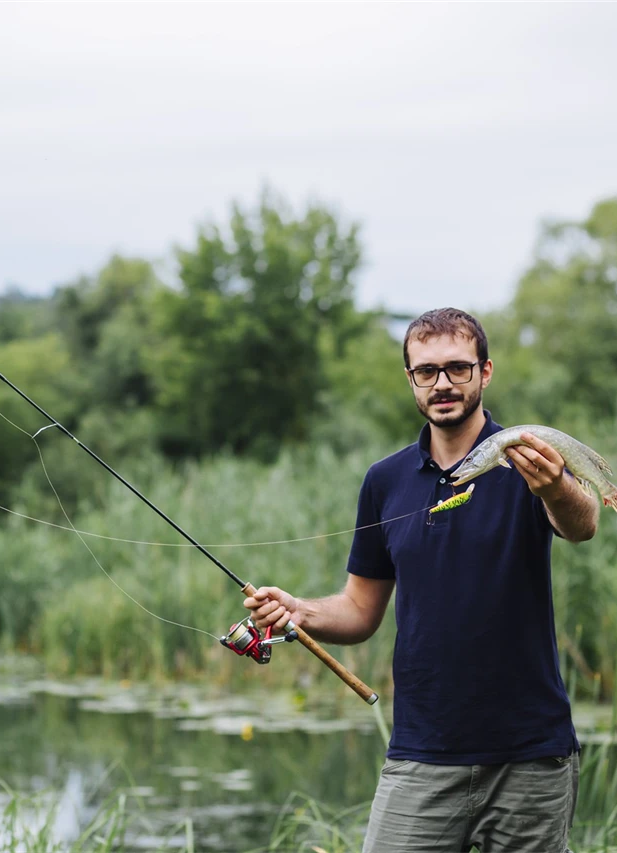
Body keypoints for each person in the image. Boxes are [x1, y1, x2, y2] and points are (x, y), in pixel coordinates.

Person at [244, 308, 597, 853]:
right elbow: (360, 611)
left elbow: (582, 525)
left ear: (485, 372)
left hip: (532, 755)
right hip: (422, 753)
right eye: (426, 372)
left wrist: (554, 487)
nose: (443, 384)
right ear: (410, 379)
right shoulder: (384, 481)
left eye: (458, 368)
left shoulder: (527, 457)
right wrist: (300, 611)